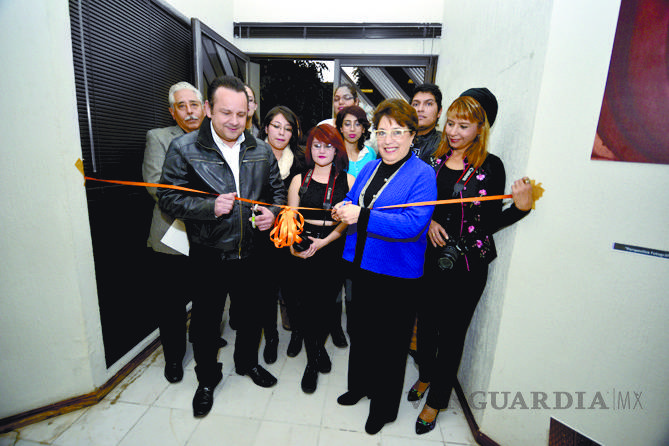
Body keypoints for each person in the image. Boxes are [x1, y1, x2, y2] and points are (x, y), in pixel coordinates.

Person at [158, 75, 287, 418]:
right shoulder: (184, 148)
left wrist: (271, 215)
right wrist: (207, 207)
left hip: (253, 252)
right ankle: (206, 379)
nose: (234, 121)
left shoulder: (260, 149)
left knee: (252, 316)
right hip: (209, 254)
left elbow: (276, 193)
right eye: (226, 112)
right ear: (209, 110)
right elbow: (167, 198)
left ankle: (247, 364)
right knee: (205, 323)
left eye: (241, 114)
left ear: (249, 114)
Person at [409, 88, 534, 434]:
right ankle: (426, 376)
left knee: (451, 333)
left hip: (467, 266)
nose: (453, 132)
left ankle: (437, 400)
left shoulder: (490, 167)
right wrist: (430, 220)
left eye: (463, 126)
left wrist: (521, 209)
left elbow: (491, 221)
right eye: (450, 123)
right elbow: (421, 204)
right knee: (428, 325)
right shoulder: (432, 159)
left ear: (481, 128)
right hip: (429, 258)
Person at [332, 98, 437, 435]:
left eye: (397, 132)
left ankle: (384, 407)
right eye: (382, 132)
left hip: (398, 274)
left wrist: (361, 216)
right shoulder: (371, 167)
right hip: (361, 264)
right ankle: (359, 386)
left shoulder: (423, 175)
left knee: (390, 343)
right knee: (361, 331)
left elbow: (412, 225)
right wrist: (343, 207)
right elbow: (355, 200)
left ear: (412, 135)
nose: (388, 140)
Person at [142, 81, 210, 384]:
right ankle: (173, 358)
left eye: (193, 104)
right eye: (181, 106)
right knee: (170, 303)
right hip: (171, 235)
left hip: (210, 236)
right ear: (173, 112)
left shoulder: (216, 138)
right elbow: (158, 187)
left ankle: (205, 344)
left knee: (207, 297)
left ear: (204, 107)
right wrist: (206, 205)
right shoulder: (158, 138)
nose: (189, 111)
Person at [287, 124, 354, 393]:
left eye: (328, 145)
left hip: (332, 246)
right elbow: (289, 218)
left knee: (325, 305)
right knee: (306, 305)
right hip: (303, 244)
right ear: (309, 148)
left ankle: (315, 353)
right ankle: (314, 359)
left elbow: (348, 222)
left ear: (337, 149)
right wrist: (293, 246)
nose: (322, 150)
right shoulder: (298, 180)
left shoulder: (347, 181)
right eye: (317, 145)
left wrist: (325, 241)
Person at [257, 105, 305, 362]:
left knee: (292, 288)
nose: (281, 133)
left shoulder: (299, 159)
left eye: (287, 128)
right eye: (276, 126)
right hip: (259, 233)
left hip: (289, 233)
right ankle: (271, 337)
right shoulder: (251, 153)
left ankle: (297, 333)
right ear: (266, 127)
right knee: (265, 290)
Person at [335, 105, 377, 178]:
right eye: (347, 124)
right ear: (341, 128)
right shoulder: (334, 154)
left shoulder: (370, 153)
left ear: (363, 129)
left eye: (357, 124)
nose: (352, 129)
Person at [410, 82, 443, 164]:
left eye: (428, 104)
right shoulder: (397, 138)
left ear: (439, 111)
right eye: (416, 104)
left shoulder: (444, 144)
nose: (420, 109)